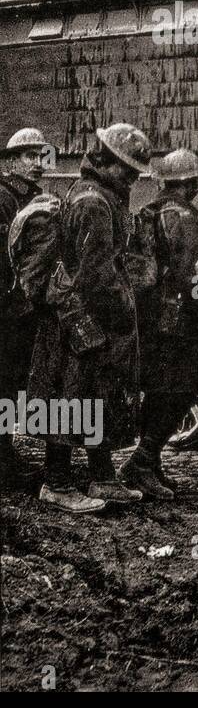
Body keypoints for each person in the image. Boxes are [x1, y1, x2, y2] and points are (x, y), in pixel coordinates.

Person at [31, 124, 153, 511]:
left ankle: (102, 478)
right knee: (69, 398)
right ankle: (57, 484)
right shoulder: (93, 203)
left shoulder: (101, 196)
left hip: (87, 316)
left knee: (94, 397)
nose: (133, 177)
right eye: (128, 169)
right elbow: (96, 274)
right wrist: (123, 311)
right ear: (108, 161)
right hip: (79, 319)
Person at [117, 149, 198, 499]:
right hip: (178, 318)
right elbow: (191, 274)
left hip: (149, 315)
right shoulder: (184, 216)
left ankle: (150, 460)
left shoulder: (150, 210)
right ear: (189, 183)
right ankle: (142, 462)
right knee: (181, 388)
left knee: (160, 387)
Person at [0, 128, 52, 488]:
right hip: (6, 304)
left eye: (40, 156)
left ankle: (6, 451)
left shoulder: (35, 197)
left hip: (23, 305)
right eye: (28, 156)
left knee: (16, 379)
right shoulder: (4, 198)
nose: (37, 163)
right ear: (11, 162)